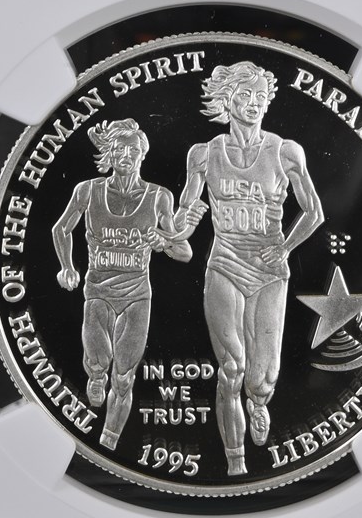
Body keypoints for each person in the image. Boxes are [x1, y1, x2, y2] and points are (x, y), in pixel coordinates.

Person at [174, 62, 324, 476]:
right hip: (224, 263)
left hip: (268, 271)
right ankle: (235, 462)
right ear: (228, 100)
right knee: (231, 368)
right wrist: (178, 227)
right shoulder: (203, 154)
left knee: (261, 379)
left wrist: (285, 247)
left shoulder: (286, 152)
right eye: (245, 95)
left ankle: (258, 402)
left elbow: (314, 212)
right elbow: (185, 215)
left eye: (261, 96)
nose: (254, 103)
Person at [53, 118, 203, 451]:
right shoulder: (88, 190)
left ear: (142, 154)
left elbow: (185, 252)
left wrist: (162, 241)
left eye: (133, 149)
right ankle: (95, 376)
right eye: (119, 148)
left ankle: (108, 442)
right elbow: (60, 229)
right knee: (99, 362)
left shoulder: (159, 196)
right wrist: (67, 267)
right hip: (98, 291)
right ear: (109, 153)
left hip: (137, 296)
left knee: (124, 376)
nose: (126, 155)